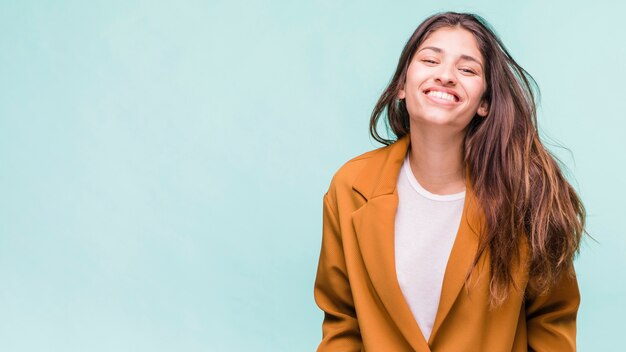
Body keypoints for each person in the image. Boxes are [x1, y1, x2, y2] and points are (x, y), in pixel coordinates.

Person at [313, 11, 586, 352]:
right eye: (430, 60)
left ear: (484, 102)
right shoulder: (350, 187)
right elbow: (343, 321)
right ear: (401, 84)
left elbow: (551, 322)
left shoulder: (526, 192)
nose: (446, 76)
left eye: (467, 69)